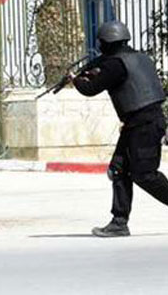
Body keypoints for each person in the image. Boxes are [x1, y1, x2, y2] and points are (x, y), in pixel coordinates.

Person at [71, 20, 168, 237]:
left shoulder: (114, 65)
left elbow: (91, 89)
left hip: (144, 124)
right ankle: (119, 221)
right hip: (139, 123)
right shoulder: (140, 57)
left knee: (145, 175)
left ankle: (120, 221)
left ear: (106, 42)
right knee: (119, 169)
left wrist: (75, 80)